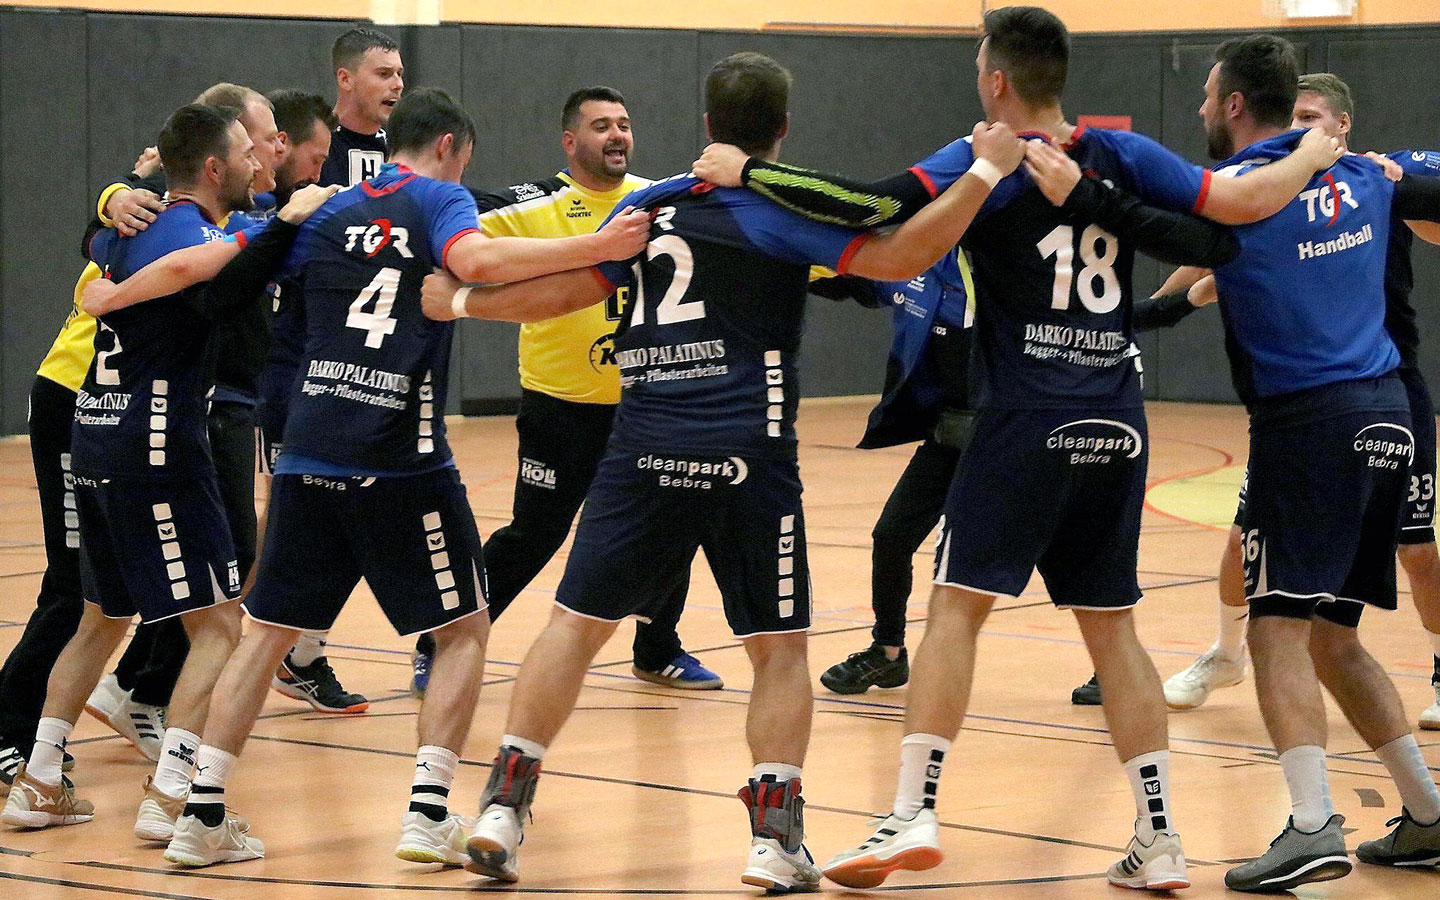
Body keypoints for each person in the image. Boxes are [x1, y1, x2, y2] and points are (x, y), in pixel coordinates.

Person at [687, 9, 1341, 891]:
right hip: (1116, 414)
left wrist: (752, 172)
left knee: (955, 609)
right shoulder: (1118, 156)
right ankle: (1161, 837)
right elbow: (1222, 230)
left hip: (1027, 414)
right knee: (1115, 632)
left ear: (997, 78)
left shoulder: (984, 156)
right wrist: (1309, 153)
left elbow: (870, 207)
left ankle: (910, 810)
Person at [422, 49, 1037, 891]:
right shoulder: (773, 212)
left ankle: (501, 805)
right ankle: (774, 842)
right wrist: (981, 176)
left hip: (640, 449)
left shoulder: (650, 206)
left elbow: (562, 293)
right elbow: (899, 257)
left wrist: (463, 303)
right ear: (781, 131)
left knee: (572, 625)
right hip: (748, 456)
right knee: (779, 649)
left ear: (707, 126)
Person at [81, 87, 653, 868]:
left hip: (309, 449)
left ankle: (198, 812)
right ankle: (426, 814)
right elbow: (475, 261)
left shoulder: (325, 208)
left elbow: (220, 276)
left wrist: (112, 244)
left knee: (262, 635)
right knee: (461, 632)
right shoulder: (440, 200)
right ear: (450, 147)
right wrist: (598, 247)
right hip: (399, 458)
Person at [0, 104, 331, 840]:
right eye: (248, 151)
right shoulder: (193, 232)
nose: (257, 161)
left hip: (97, 437)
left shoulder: (129, 223)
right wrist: (283, 224)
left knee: (101, 616)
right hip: (156, 450)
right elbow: (204, 261)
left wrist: (115, 217)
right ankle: (176, 793)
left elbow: (111, 245)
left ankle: (40, 778)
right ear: (215, 168)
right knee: (219, 626)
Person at [1171, 35, 1440, 891]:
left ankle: (1313, 823)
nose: (1205, 109)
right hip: (1388, 417)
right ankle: (1430, 816)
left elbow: (1157, 218)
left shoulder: (1235, 200)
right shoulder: (1367, 178)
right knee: (1336, 638)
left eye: (1211, 97)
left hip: (1306, 426)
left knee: (1275, 629)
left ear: (1238, 105)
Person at [409, 86, 720, 698]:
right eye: (601, 126)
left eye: (624, 124)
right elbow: (442, 219)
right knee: (535, 533)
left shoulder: (654, 203)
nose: (617, 136)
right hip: (561, 407)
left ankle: (657, 649)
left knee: (672, 522)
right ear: (570, 142)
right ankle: (440, 642)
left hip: (644, 405)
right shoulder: (531, 204)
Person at [821, 262, 1218, 696]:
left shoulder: (1022, 280)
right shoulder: (919, 269)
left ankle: (1109, 667)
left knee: (1062, 553)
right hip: (952, 438)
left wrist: (1191, 298)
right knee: (892, 536)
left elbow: (1122, 322)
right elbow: (852, 281)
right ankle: (888, 652)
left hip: (1018, 438)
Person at [320, 26, 402, 188]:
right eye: (384, 74)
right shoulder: (314, 145)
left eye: (399, 74)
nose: (398, 85)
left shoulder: (402, 151)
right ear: (345, 79)